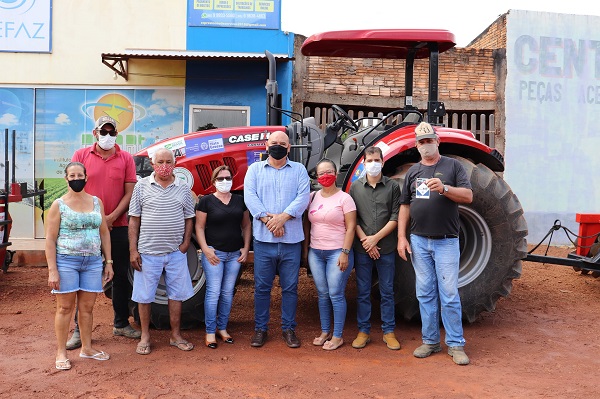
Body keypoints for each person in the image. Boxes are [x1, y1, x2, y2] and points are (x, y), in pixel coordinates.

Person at [397, 121, 473, 366]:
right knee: (425, 293)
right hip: (419, 241)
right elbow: (405, 206)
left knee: (449, 294)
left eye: (429, 141)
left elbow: (468, 196)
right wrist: (401, 237)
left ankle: (456, 344)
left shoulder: (453, 166)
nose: (426, 145)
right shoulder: (413, 171)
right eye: (421, 142)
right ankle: (430, 341)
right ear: (416, 146)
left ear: (437, 141)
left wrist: (444, 188)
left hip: (446, 242)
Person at [67, 115, 140, 350]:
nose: (108, 136)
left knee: (120, 276)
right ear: (95, 133)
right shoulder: (81, 156)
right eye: (104, 132)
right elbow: (75, 189)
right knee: (85, 277)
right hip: (88, 229)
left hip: (116, 226)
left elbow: (129, 192)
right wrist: (97, 220)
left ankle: (120, 323)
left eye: (112, 132)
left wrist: (109, 218)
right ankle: (79, 329)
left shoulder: (126, 158)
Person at [244, 130, 310, 348]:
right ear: (266, 145)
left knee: (290, 287)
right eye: (274, 143)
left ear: (289, 147)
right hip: (264, 241)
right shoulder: (254, 170)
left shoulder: (299, 170)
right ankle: (260, 329)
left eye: (283, 143)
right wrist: (268, 221)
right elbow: (250, 197)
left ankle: (288, 328)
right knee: (262, 288)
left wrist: (282, 218)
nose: (278, 146)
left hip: (291, 242)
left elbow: (303, 198)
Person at [46, 162, 114, 370]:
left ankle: (87, 348)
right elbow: (50, 239)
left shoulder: (96, 202)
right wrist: (52, 270)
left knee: (87, 308)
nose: (76, 178)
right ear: (66, 179)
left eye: (79, 175)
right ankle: (61, 352)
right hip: (66, 261)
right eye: (72, 175)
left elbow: (104, 232)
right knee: (65, 307)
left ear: (86, 177)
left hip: (93, 262)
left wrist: (108, 261)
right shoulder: (59, 204)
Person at [128, 147, 196, 355]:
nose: (164, 166)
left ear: (174, 164)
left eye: (168, 162)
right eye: (160, 162)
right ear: (152, 164)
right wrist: (133, 250)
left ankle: (175, 335)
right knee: (144, 296)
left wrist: (185, 243)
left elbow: (189, 217)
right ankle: (145, 336)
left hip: (175, 253)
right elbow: (134, 220)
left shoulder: (183, 189)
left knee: (176, 295)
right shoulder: (141, 187)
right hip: (148, 253)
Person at [349, 146, 401, 350]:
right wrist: (366, 241)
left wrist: (376, 239)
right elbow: (353, 219)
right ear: (363, 163)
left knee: (387, 291)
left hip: (386, 247)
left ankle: (389, 332)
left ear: (383, 162)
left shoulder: (392, 187)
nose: (373, 164)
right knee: (362, 292)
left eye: (376, 160)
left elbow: (395, 216)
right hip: (363, 249)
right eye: (369, 160)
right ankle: (364, 331)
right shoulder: (355, 188)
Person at [303, 159, 356, 350]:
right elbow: (307, 224)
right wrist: (306, 249)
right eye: (321, 173)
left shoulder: (345, 198)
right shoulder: (312, 197)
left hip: (337, 252)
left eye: (329, 172)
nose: (325, 176)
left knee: (335, 293)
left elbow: (351, 228)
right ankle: (325, 331)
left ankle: (338, 336)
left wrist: (344, 252)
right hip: (316, 253)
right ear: (317, 177)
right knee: (323, 294)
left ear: (335, 173)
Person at [195, 165, 251, 349]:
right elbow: (199, 227)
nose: (224, 181)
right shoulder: (206, 202)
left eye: (228, 178)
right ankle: (210, 331)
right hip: (214, 254)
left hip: (234, 255)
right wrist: (205, 249)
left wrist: (246, 247)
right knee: (213, 293)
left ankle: (222, 328)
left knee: (227, 294)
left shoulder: (239, 201)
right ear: (213, 182)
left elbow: (246, 225)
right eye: (220, 179)